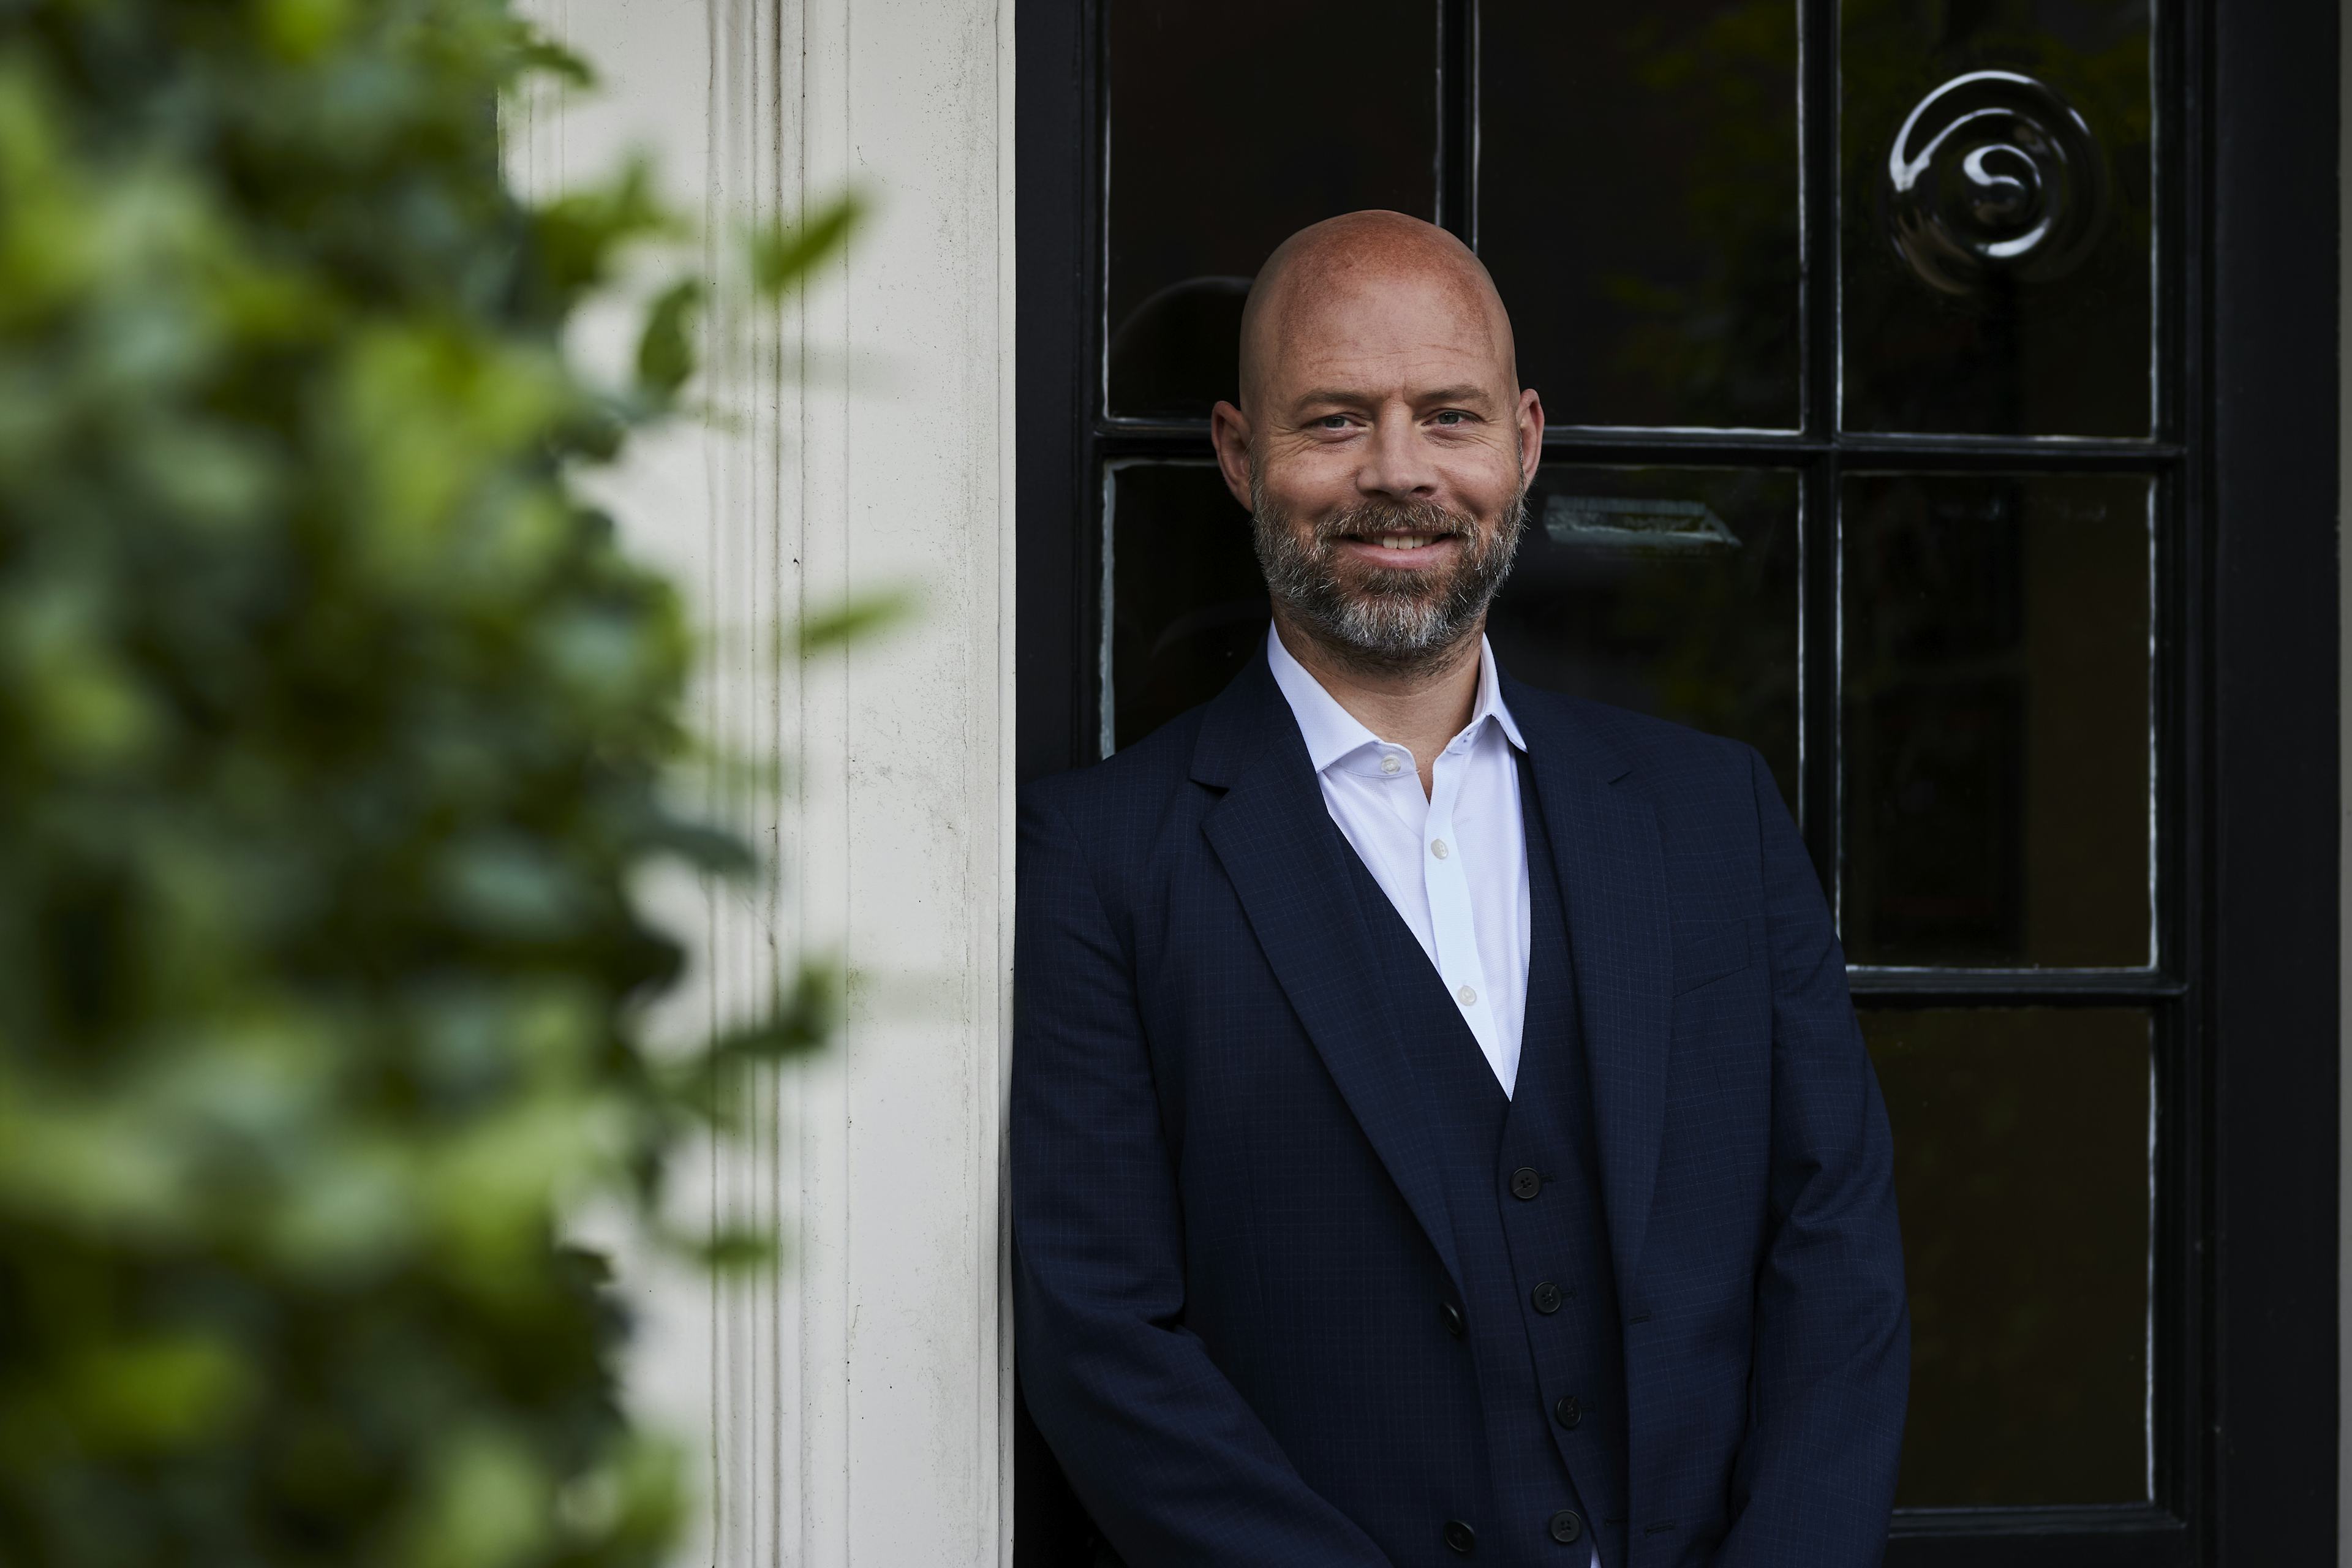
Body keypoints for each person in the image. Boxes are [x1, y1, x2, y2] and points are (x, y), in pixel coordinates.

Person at [1011, 211, 1907, 1568]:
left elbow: (1835, 1253)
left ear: (1524, 442)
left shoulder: (1713, 815)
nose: (1399, 470)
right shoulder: (1097, 861)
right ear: (1240, 456)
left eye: (1449, 415)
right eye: (1334, 421)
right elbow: (1103, 1340)